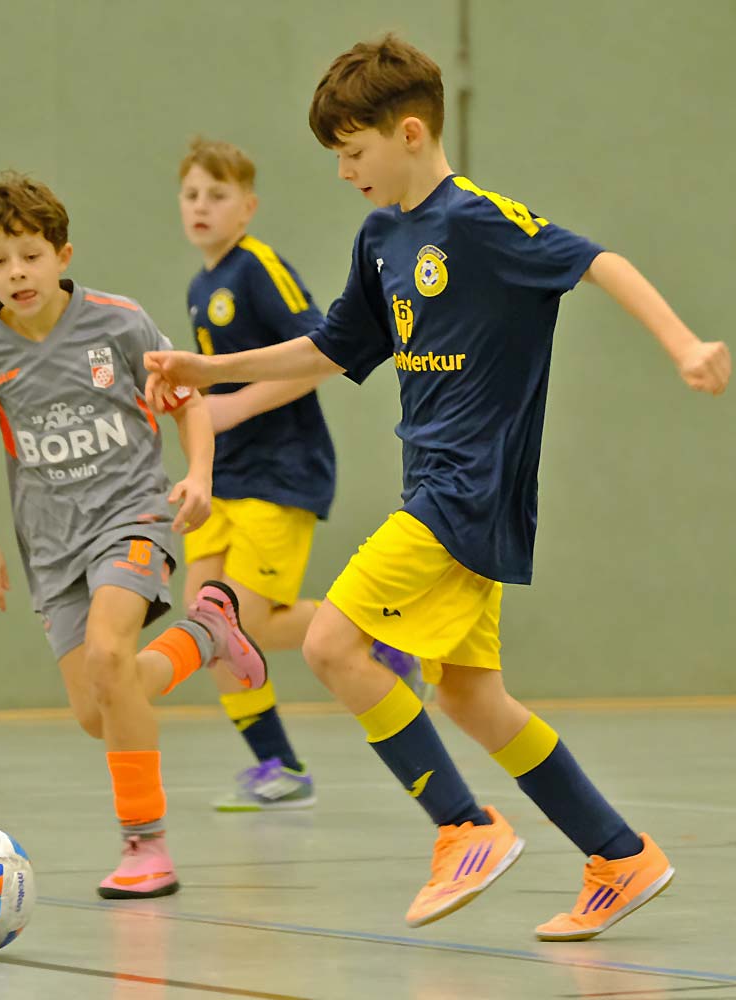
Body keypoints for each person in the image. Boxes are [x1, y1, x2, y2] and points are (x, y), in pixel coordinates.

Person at [145, 36, 732, 941]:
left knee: (332, 643)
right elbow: (331, 350)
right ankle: (621, 854)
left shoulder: (480, 222)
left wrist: (685, 345)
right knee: (466, 694)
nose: (344, 172)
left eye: (353, 151)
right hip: (436, 483)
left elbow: (598, 261)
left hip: (468, 489)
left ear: (410, 133)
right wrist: (207, 368)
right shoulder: (381, 238)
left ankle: (464, 828)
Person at [0, 172, 266, 900]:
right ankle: (206, 633)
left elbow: (189, 403)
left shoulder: (120, 323)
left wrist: (199, 475)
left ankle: (145, 844)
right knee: (98, 708)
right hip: (51, 543)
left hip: (132, 513)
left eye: (30, 255)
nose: (17, 272)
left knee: (111, 656)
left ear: (62, 255)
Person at [177, 137, 422, 812]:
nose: (202, 206)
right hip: (225, 478)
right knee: (206, 626)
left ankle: (379, 634)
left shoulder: (258, 268)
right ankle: (279, 767)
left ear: (247, 207)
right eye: (191, 195)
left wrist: (232, 408)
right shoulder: (200, 286)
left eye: (218, 195)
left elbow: (320, 354)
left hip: (280, 472)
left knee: (241, 621)